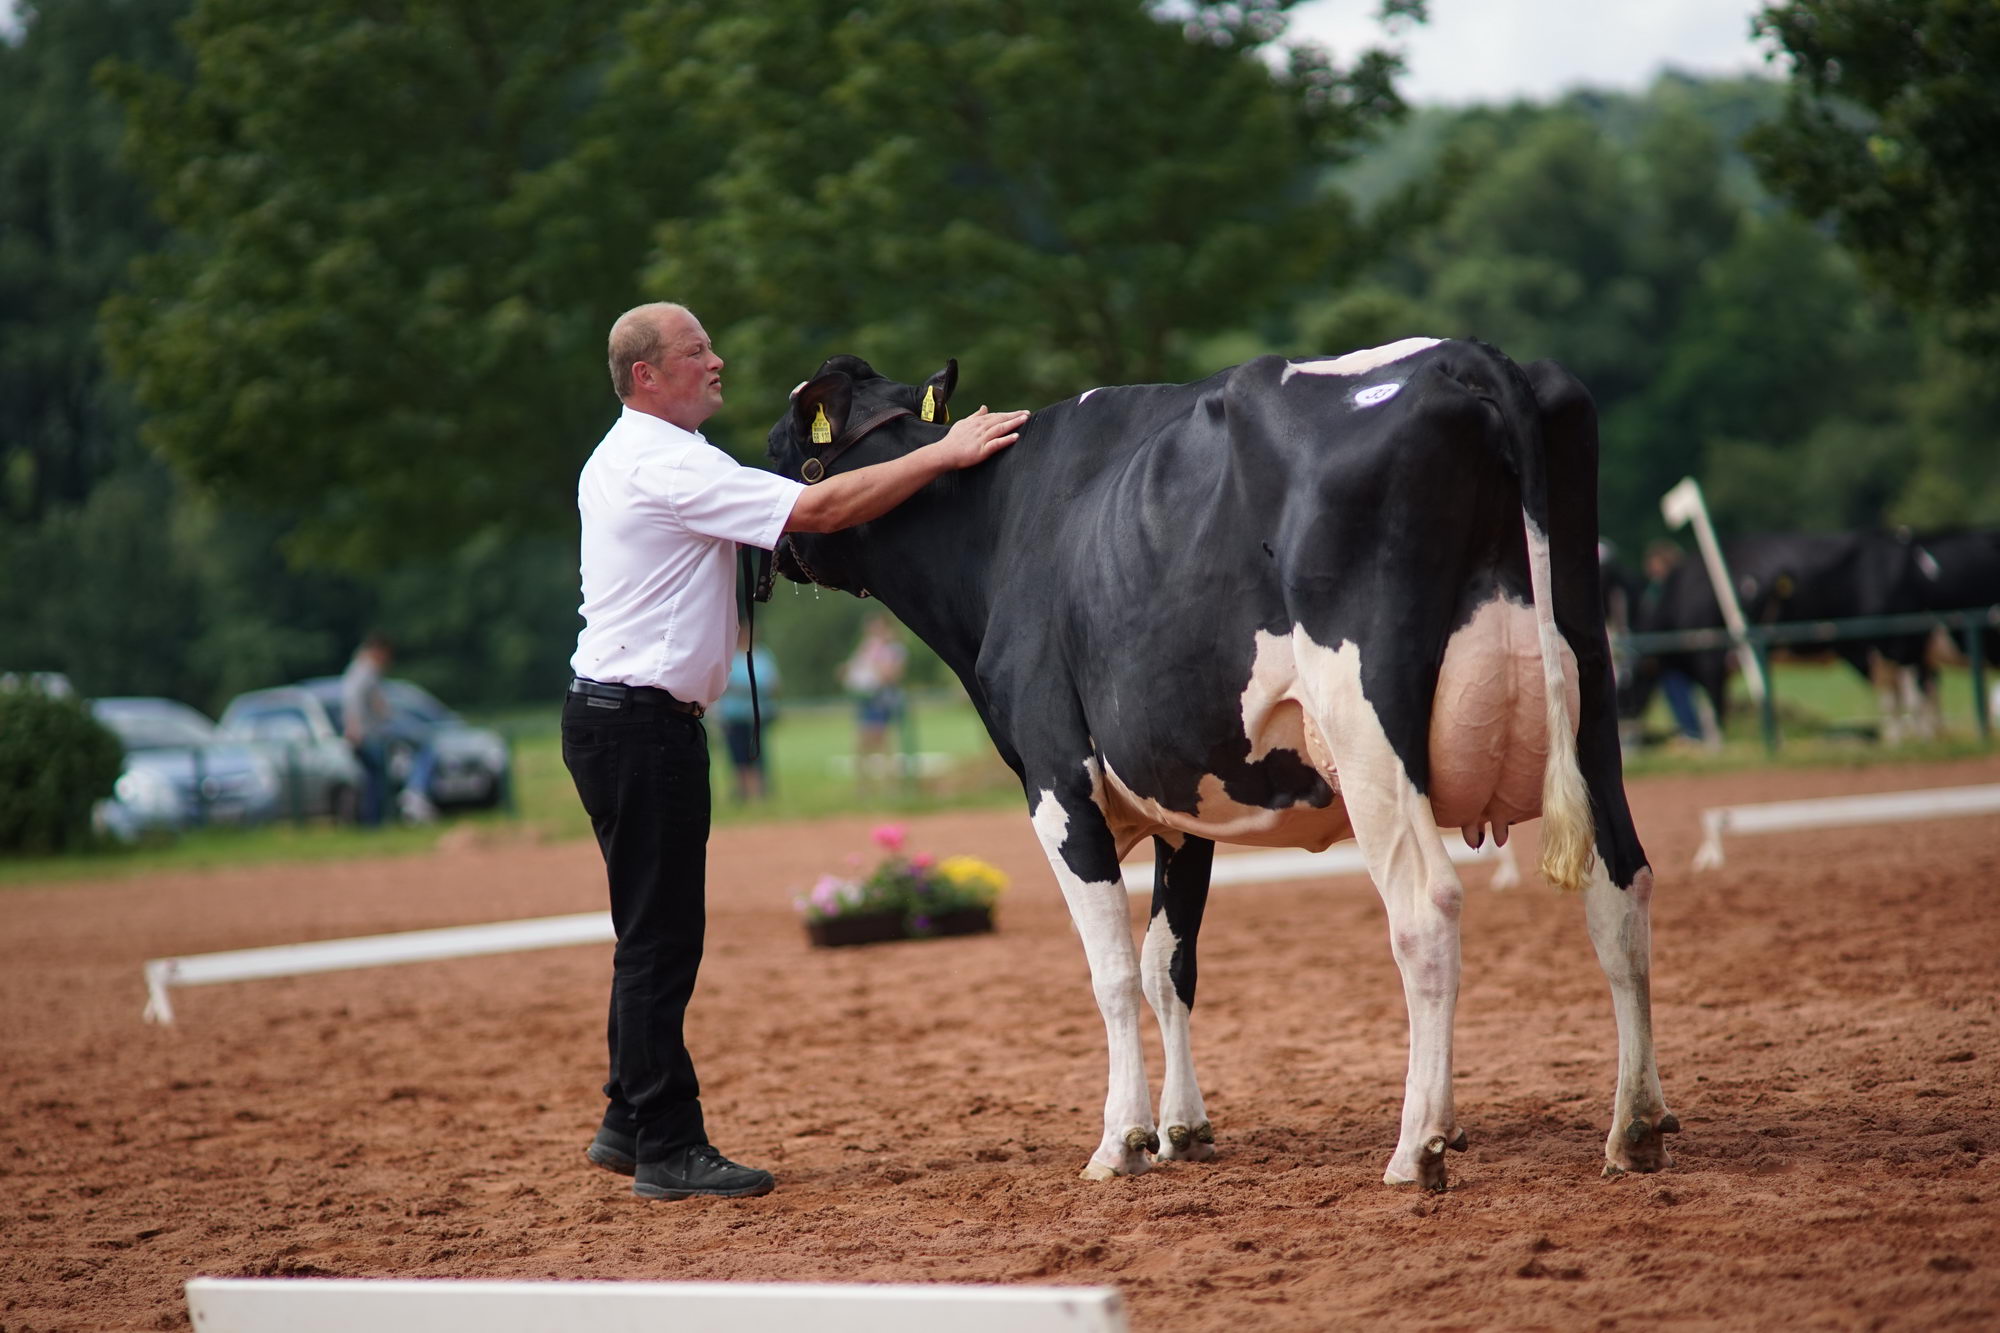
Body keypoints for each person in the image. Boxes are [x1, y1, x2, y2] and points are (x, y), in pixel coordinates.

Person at [565, 301, 1026, 1201]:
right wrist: (942, 451)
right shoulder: (664, 464)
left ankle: (628, 1117)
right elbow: (816, 509)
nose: (719, 360)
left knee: (653, 932)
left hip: (619, 716)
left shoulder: (635, 453)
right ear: (646, 376)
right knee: (659, 941)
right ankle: (666, 1144)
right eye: (697, 352)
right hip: (639, 723)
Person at [840, 612, 907, 789]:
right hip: (867, 698)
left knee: (882, 742)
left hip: (880, 699)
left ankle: (889, 784)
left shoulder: (893, 650)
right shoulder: (867, 648)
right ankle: (865, 785)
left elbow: (892, 675)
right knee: (863, 742)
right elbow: (854, 670)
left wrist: (876, 667)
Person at [718, 622, 778, 803]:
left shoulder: (762, 655)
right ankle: (742, 790)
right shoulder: (730, 656)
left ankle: (760, 790)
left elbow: (772, 683)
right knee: (738, 753)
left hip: (755, 714)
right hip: (733, 714)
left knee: (757, 752)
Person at [340, 633, 395, 827]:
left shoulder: (360, 670)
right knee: (374, 781)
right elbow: (353, 701)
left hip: (366, 733)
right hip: (366, 735)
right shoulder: (364, 671)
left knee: (371, 779)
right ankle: (373, 822)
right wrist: (354, 728)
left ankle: (373, 822)